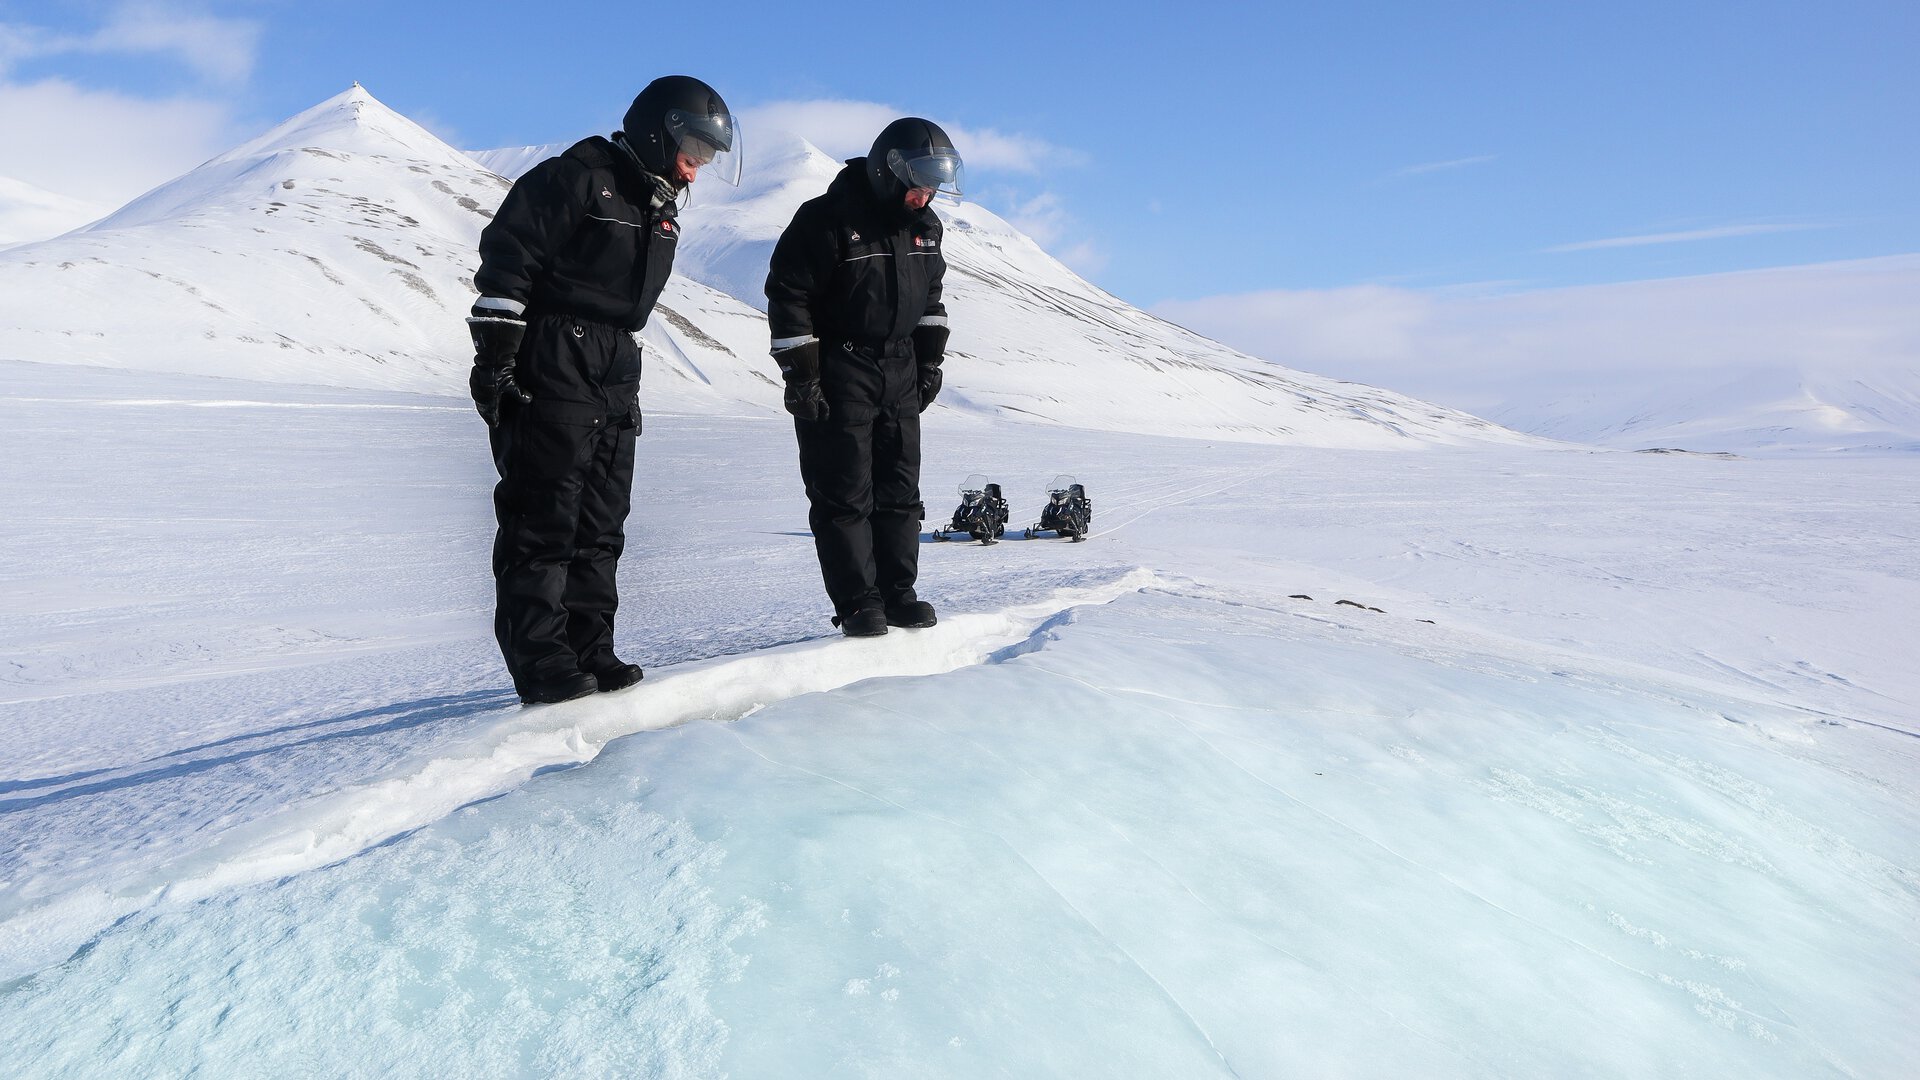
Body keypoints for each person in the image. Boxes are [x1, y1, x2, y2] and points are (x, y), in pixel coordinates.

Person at [467, 75, 740, 704]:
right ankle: (543, 661)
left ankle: (591, 648)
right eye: (693, 153)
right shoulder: (575, 180)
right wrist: (499, 357)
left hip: (616, 364)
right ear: (657, 132)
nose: (696, 172)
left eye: (706, 159)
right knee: (545, 518)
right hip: (554, 354)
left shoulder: (658, 204)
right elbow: (509, 260)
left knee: (601, 521)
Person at [764, 118, 963, 637]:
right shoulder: (825, 220)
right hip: (841, 368)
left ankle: (899, 594)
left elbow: (931, 300)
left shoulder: (925, 228)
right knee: (845, 493)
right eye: (919, 184)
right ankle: (858, 602)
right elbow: (790, 296)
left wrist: (929, 361)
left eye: (934, 186)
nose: (926, 195)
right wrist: (802, 375)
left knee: (900, 490)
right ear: (887, 170)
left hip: (898, 368)